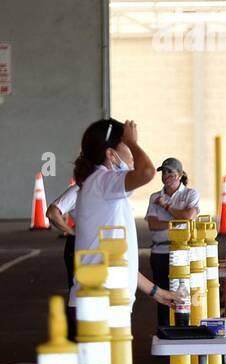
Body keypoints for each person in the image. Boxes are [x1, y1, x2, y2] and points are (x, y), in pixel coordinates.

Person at [70, 118, 178, 318]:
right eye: (126, 147)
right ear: (111, 154)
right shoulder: (102, 181)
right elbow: (146, 172)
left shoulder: (104, 187)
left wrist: (157, 292)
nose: (132, 156)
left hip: (106, 301)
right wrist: (133, 142)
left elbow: (120, 258)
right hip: (101, 302)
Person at [146, 157, 200, 325]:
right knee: (162, 295)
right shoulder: (155, 196)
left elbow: (188, 217)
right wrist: (177, 222)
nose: (166, 175)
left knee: (184, 295)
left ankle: (184, 329)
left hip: (182, 253)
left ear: (180, 174)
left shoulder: (190, 194)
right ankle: (164, 331)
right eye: (164, 172)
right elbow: (153, 225)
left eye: (171, 171)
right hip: (160, 252)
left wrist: (166, 207)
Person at [47, 182, 78, 289]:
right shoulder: (78, 190)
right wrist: (72, 232)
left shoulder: (102, 189)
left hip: (97, 245)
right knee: (78, 293)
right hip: (78, 245)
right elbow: (52, 213)